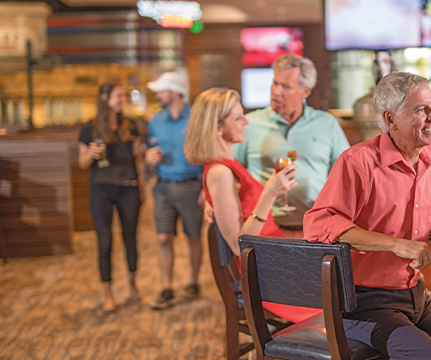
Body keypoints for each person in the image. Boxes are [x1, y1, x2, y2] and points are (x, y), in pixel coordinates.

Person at [303, 71, 431, 359]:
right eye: (421, 109)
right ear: (390, 119)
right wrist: (396, 244)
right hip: (364, 307)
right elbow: (319, 223)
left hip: (416, 297)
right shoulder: (357, 162)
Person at [184, 87, 322, 324]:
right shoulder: (219, 172)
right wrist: (269, 194)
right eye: (238, 117)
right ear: (217, 127)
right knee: (342, 294)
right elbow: (240, 245)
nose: (246, 121)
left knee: (349, 281)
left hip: (276, 259)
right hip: (265, 273)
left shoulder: (228, 164)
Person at [230, 53, 350, 238]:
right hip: (265, 229)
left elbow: (347, 173)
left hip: (315, 230)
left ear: (305, 91)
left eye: (286, 86)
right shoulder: (249, 124)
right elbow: (229, 169)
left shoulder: (327, 123)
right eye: (275, 83)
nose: (276, 91)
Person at [78, 82, 143, 313]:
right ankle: (108, 294)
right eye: (118, 95)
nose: (122, 99)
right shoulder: (90, 127)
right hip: (101, 188)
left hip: (129, 187)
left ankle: (133, 286)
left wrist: (142, 185)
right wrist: (91, 155)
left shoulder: (130, 125)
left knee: (130, 239)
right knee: (104, 242)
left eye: (123, 95)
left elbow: (137, 157)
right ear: (105, 98)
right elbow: (82, 163)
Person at [144, 72, 205, 310]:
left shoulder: (196, 119)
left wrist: (205, 187)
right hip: (163, 186)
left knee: (194, 236)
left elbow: (208, 153)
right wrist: (149, 157)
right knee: (163, 237)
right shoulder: (155, 121)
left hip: (192, 185)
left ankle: (193, 282)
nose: (158, 94)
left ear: (174, 92)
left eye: (161, 90)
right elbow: (150, 150)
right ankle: (166, 287)